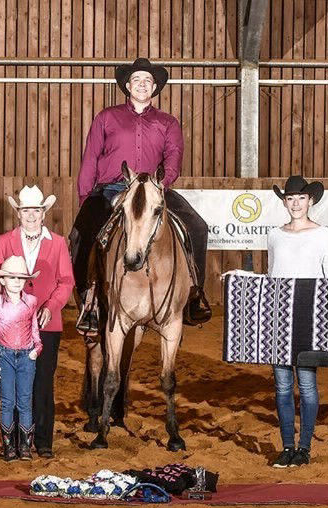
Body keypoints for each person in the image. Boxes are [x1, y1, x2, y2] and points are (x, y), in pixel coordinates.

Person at [70, 57, 211, 333]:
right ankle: (89, 298)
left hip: (152, 190)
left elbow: (173, 157)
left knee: (197, 227)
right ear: (127, 86)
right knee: (81, 233)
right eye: (137, 80)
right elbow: (90, 158)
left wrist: (162, 184)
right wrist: (86, 198)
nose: (142, 84)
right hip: (112, 188)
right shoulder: (107, 118)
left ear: (155, 86)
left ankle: (195, 293)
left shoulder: (168, 122)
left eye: (147, 80)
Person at [266, 176, 328, 468]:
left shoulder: (323, 234)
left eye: (301, 198)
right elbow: (271, 277)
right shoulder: (274, 235)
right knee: (282, 386)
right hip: (279, 318)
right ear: (285, 201)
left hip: (308, 318)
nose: (296, 203)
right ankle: (287, 446)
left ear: (310, 201)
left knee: (306, 384)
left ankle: (304, 447)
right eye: (290, 198)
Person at [0, 185, 74, 458]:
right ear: (19, 213)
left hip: (46, 323)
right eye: (26, 210)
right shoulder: (4, 241)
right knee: (14, 385)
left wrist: (51, 305)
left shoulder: (58, 243)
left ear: (43, 213)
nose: (31, 215)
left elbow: (66, 281)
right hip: (12, 324)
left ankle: (43, 440)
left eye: (35, 210)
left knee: (43, 382)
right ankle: (14, 442)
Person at [0, 256, 43, 462]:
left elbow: (34, 327)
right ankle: (9, 447)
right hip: (5, 356)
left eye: (20, 277)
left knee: (25, 402)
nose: (16, 281)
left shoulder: (31, 302)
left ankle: (25, 446)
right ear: (2, 280)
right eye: (11, 277)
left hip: (27, 356)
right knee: (7, 402)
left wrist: (37, 348)